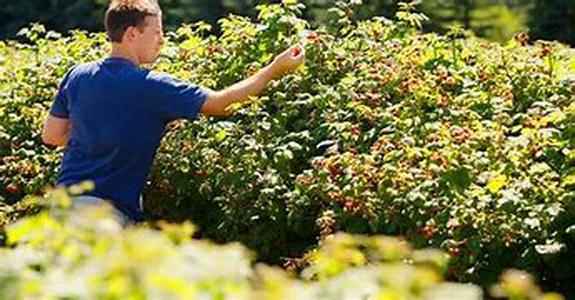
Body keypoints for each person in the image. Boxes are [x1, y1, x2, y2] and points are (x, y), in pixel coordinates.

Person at [41, 0, 305, 224]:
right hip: (105, 217)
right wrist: (275, 68)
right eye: (156, 32)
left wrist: (97, 135)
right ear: (132, 34)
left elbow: (52, 135)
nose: (162, 40)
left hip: (63, 207)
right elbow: (222, 103)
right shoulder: (154, 86)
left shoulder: (77, 75)